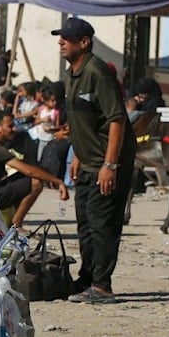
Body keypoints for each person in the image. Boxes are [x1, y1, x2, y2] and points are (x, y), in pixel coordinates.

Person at [53, 17, 136, 304]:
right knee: (86, 225)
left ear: (84, 42)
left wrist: (110, 165)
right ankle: (87, 279)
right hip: (87, 163)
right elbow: (81, 121)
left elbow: (116, 121)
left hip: (109, 163)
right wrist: (76, 156)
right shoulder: (70, 74)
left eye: (67, 38)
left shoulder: (98, 72)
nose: (61, 42)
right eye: (60, 37)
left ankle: (102, 286)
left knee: (103, 225)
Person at [0, 109, 68, 228]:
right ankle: (16, 226)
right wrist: (58, 181)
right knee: (35, 182)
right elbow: (28, 171)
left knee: (26, 178)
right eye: (10, 126)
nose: (14, 129)